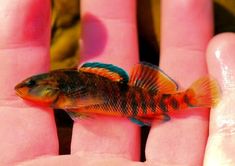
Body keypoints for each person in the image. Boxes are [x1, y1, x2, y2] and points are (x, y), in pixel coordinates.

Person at [0, 0, 234, 165]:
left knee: (147, 105)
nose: (24, 89)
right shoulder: (64, 97)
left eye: (31, 84)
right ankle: (188, 99)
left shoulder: (66, 96)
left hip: (137, 95)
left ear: (51, 87)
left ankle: (189, 98)